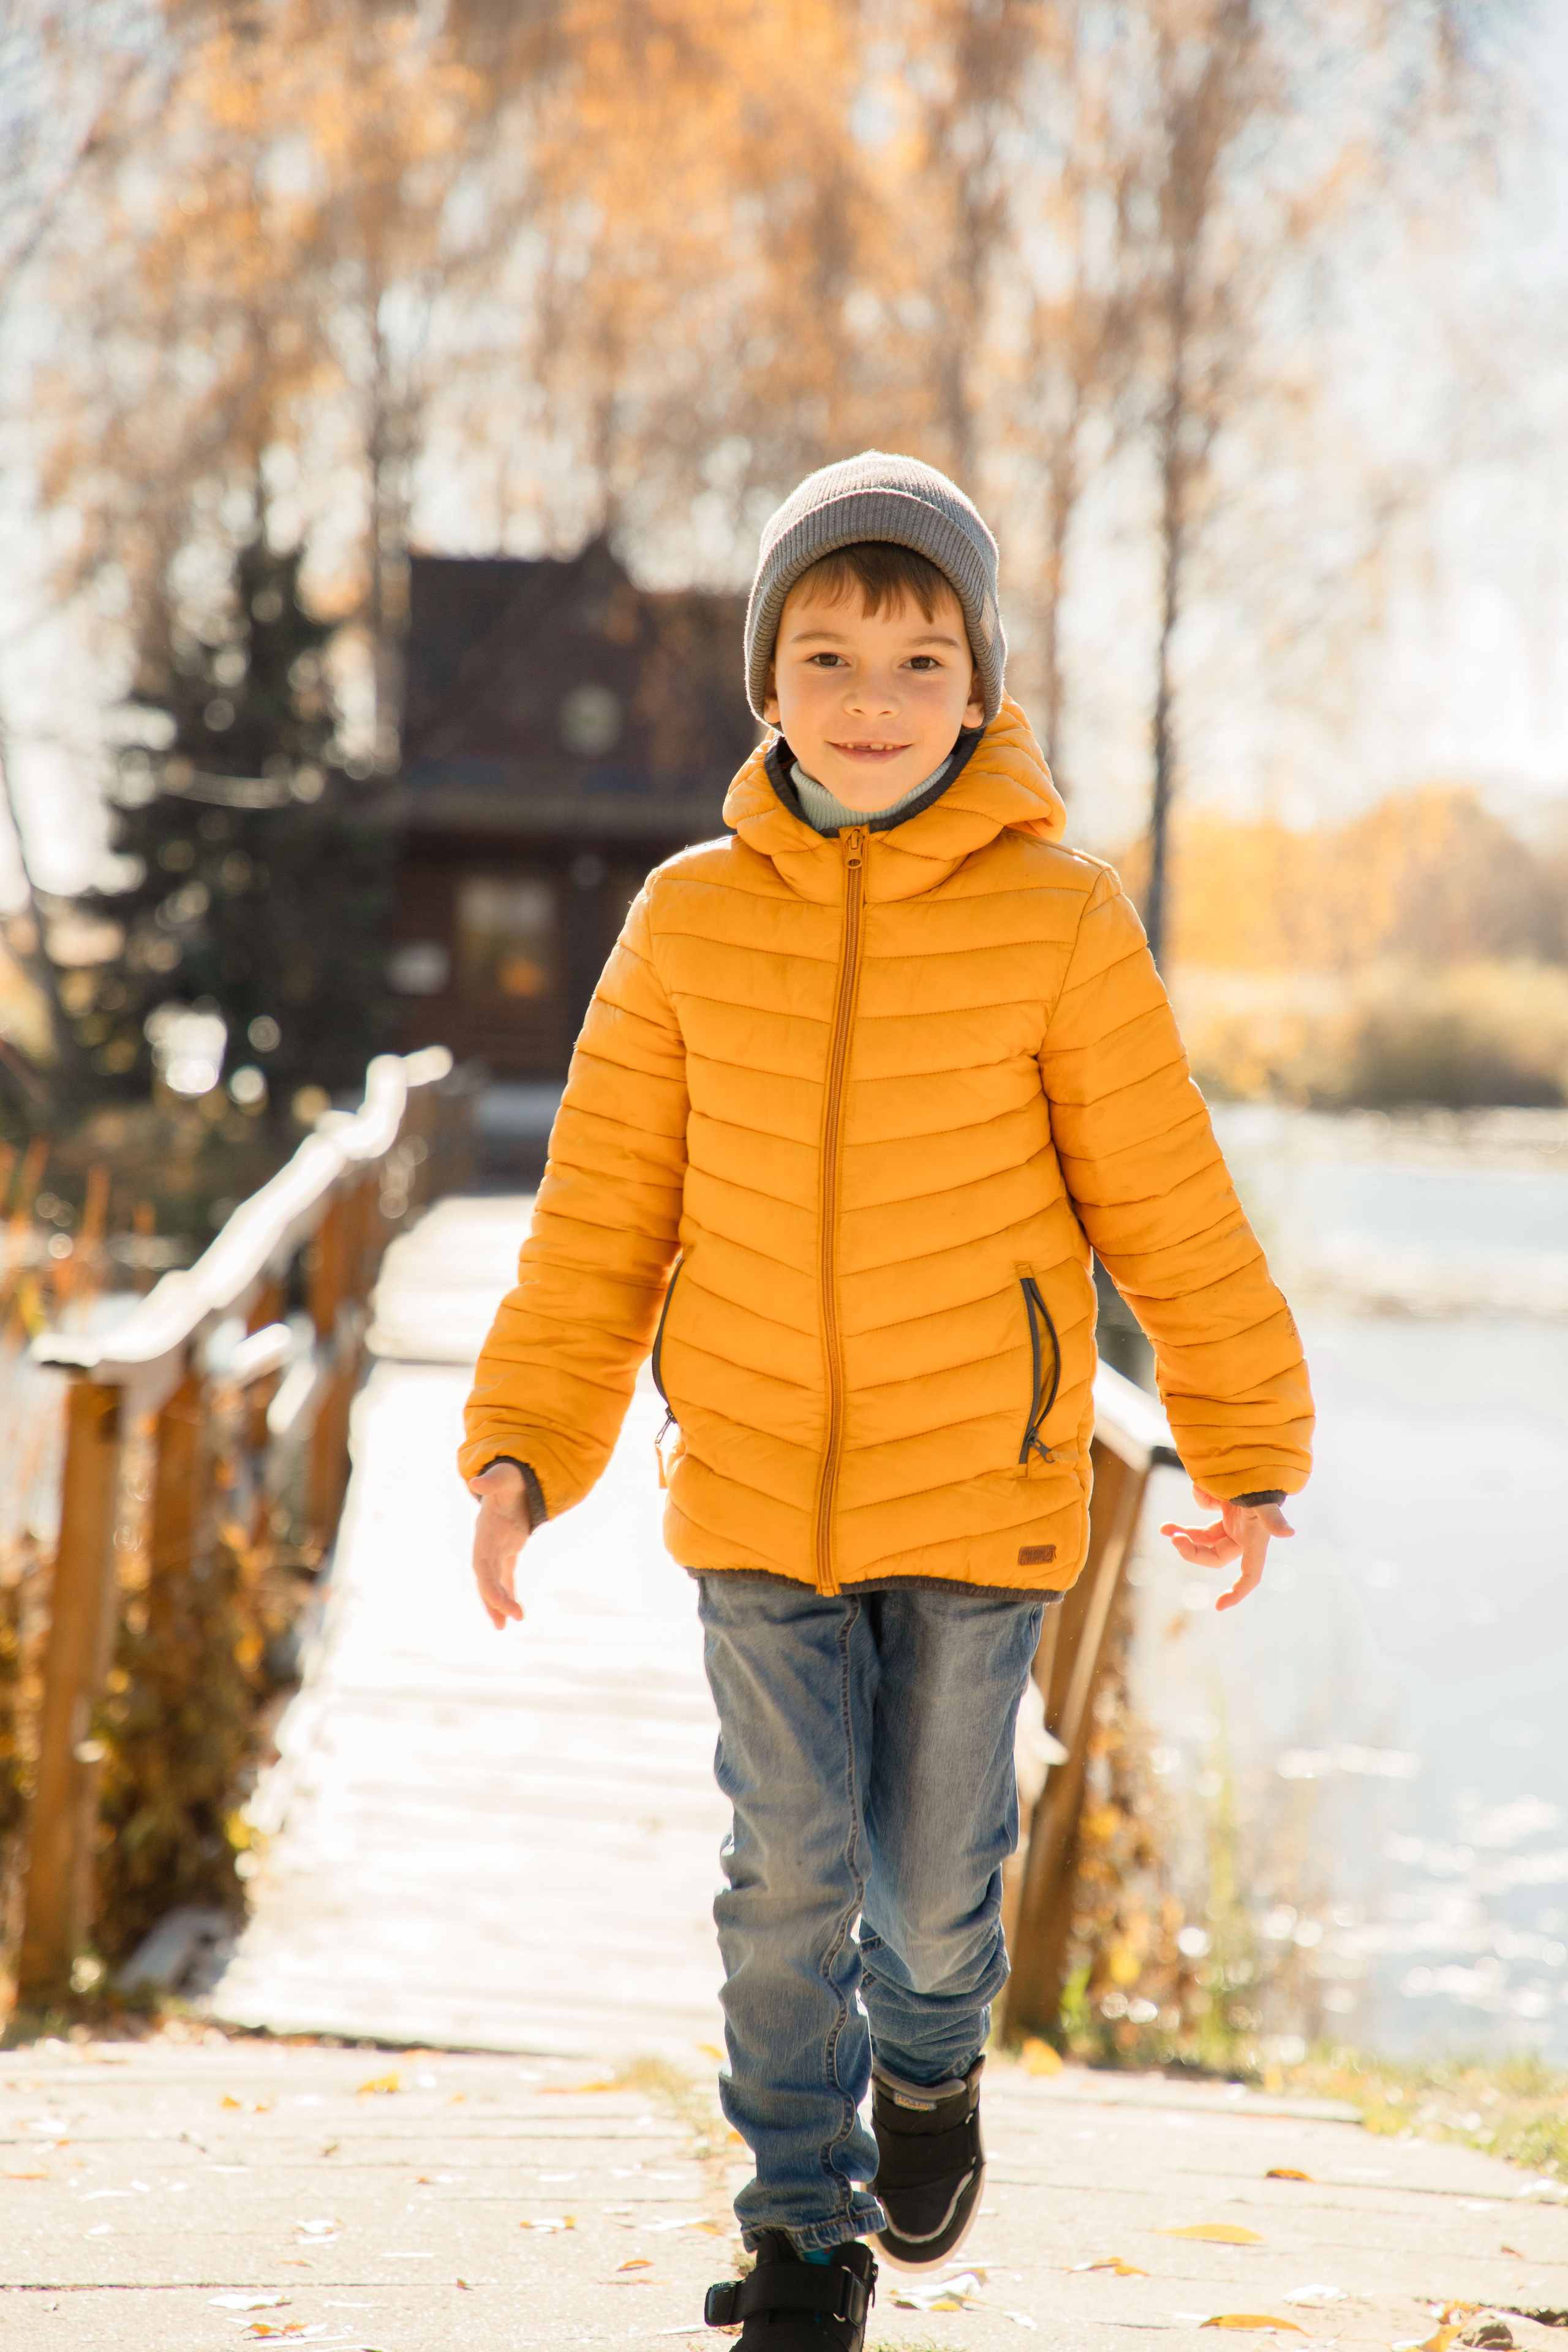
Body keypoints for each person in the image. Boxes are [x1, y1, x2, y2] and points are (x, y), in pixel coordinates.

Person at [460, 451, 1313, 2351]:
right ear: (766, 685)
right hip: (755, 1484)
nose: (867, 699)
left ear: (979, 693)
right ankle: (798, 2234)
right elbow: (601, 1213)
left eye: (917, 662)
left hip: (982, 1489)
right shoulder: (684, 924)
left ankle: (930, 2071)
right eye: (826, 655)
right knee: (785, 1879)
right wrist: (524, 1449)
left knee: (932, 1897)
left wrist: (1248, 1443)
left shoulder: (1061, 918)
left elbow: (1166, 1202)